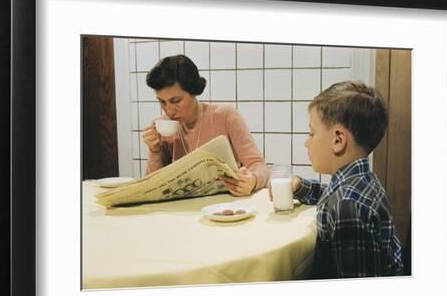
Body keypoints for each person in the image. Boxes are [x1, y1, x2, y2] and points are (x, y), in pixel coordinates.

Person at [277, 81, 404, 278]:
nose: (306, 142)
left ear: (338, 140)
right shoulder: (358, 181)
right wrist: (301, 187)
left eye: (312, 133)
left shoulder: (348, 207)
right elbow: (330, 195)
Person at [142, 54, 268, 196]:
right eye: (162, 102)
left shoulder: (225, 116)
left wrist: (253, 180)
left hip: (225, 205)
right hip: (182, 210)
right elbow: (153, 187)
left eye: (176, 101)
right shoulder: (163, 126)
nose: (169, 110)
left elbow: (258, 165)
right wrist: (155, 150)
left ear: (193, 91)